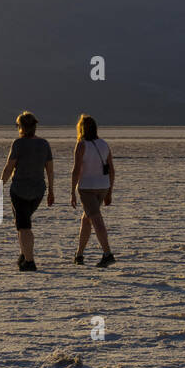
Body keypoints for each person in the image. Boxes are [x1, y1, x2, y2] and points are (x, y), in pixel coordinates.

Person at [0, 111, 54, 271]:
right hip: (38, 191)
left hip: (19, 191)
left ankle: (29, 261)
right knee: (22, 222)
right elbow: (50, 171)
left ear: (21, 127)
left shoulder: (18, 144)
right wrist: (51, 191)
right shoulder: (44, 144)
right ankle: (24, 254)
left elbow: (9, 168)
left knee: (24, 226)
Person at [69, 114, 115, 267]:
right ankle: (79, 254)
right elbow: (111, 170)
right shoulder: (103, 144)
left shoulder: (82, 145)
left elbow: (76, 170)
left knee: (96, 219)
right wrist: (109, 191)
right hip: (103, 186)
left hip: (87, 188)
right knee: (86, 219)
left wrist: (72, 192)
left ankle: (107, 253)